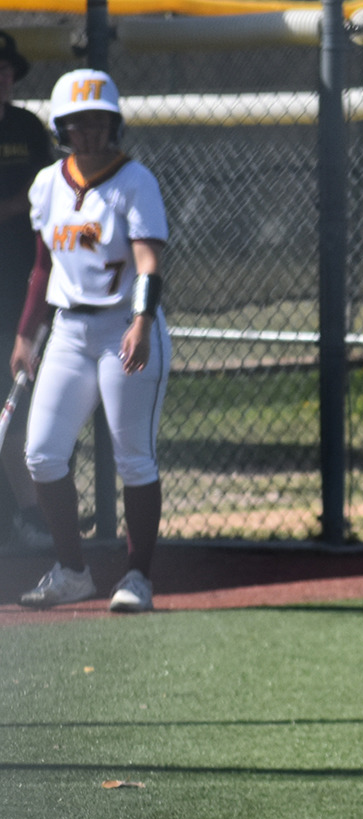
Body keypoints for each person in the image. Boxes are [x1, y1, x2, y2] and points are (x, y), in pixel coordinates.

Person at [12, 70, 170, 612]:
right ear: (62, 128)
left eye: (98, 121)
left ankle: (138, 578)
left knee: (135, 459)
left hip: (123, 328)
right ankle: (73, 571)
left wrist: (142, 322)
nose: (89, 133)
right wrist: (26, 334)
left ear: (114, 123)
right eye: (77, 124)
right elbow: (41, 267)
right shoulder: (47, 183)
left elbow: (149, 258)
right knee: (42, 456)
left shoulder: (135, 181)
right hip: (68, 332)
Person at [0, 32, 53, 550]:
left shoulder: (28, 129)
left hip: (21, 283)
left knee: (21, 398)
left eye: (5, 69)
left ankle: (33, 515)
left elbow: (44, 196)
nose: (0, 77)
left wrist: (12, 209)